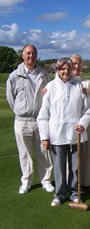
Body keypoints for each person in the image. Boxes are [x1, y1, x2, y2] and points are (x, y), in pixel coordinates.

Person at [37, 57, 90, 206]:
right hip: (57, 134)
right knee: (59, 168)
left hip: (75, 134)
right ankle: (60, 194)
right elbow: (43, 116)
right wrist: (44, 137)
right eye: (62, 68)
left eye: (68, 68)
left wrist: (82, 124)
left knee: (75, 167)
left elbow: (87, 111)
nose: (66, 71)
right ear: (57, 70)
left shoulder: (79, 86)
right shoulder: (50, 87)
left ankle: (74, 193)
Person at [6, 44, 54, 194]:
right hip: (22, 120)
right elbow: (10, 98)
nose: (30, 56)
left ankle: (46, 180)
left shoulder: (44, 74)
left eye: (33, 53)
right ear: (23, 55)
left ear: (36, 55)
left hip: (41, 119)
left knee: (44, 151)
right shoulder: (15, 75)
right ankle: (26, 181)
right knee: (24, 153)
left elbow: (50, 94)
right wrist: (22, 111)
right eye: (27, 53)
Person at [70, 54, 90, 192]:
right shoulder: (63, 82)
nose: (76, 66)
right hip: (70, 126)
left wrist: (86, 94)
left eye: (78, 64)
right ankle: (72, 183)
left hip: (88, 125)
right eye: (73, 63)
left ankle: (85, 183)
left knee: (86, 155)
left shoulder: (87, 83)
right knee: (72, 156)